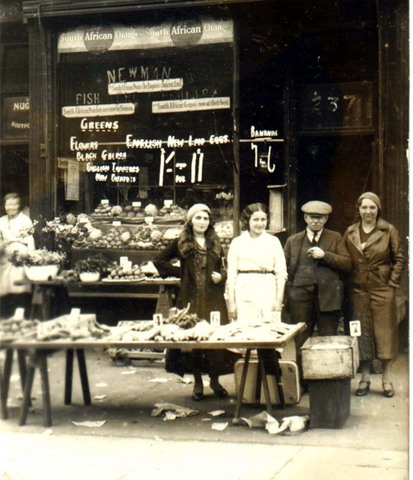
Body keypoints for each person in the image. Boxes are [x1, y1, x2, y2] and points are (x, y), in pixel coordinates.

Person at [154, 203, 237, 401]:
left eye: (205, 218)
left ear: (210, 222)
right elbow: (160, 261)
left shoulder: (215, 242)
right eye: (198, 218)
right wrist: (181, 274)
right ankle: (198, 382)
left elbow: (226, 268)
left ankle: (215, 381)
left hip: (213, 299)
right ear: (191, 221)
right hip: (191, 300)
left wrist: (221, 278)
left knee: (214, 340)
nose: (202, 222)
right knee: (193, 342)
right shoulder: (181, 242)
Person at [343, 192, 404, 398]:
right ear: (358, 210)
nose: (368, 212)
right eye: (364, 208)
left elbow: (399, 258)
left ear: (378, 209)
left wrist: (391, 283)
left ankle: (386, 380)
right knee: (361, 334)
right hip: (358, 291)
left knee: (384, 334)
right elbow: (344, 259)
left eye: (372, 208)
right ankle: (365, 378)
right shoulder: (350, 231)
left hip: (381, 290)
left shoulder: (388, 230)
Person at [283, 201, 351, 375]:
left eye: (319, 218)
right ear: (305, 218)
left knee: (326, 339)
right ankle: (303, 380)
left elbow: (347, 263)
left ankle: (324, 378)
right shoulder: (293, 241)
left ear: (326, 219)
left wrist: (325, 255)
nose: (316, 222)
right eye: (312, 218)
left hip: (328, 297)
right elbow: (284, 271)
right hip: (300, 297)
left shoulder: (335, 237)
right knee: (301, 340)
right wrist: (286, 298)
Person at [226, 203, 287, 324]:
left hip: (267, 290)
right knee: (243, 329)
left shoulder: (274, 241)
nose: (260, 223)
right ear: (247, 220)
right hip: (244, 290)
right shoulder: (237, 242)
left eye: (263, 219)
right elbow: (231, 275)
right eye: (255, 219)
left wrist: (278, 301)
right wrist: (231, 302)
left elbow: (281, 274)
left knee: (268, 328)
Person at [0, 193, 35, 317]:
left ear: (18, 205)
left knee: (18, 281)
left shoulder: (25, 220)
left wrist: (31, 258)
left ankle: (20, 311)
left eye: (13, 205)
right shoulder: (2, 221)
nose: (10, 208)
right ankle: (5, 313)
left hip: (20, 253)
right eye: (8, 205)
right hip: (4, 255)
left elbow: (30, 240)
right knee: (3, 283)